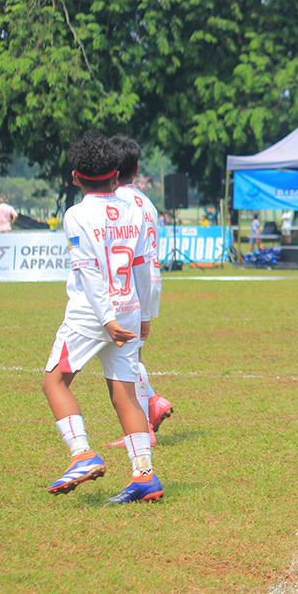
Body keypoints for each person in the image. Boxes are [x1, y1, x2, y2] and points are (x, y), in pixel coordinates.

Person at [41, 132, 163, 504]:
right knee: (125, 393)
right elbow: (146, 267)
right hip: (128, 308)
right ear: (117, 174)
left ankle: (82, 453)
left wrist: (107, 318)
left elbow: (89, 272)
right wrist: (145, 313)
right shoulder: (135, 211)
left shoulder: (76, 215)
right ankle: (144, 474)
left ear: (75, 177)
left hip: (92, 314)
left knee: (54, 382)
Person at [104, 135, 174, 450]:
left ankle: (143, 422)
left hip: (127, 284)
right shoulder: (147, 202)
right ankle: (152, 402)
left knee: (124, 358)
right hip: (150, 280)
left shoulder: (114, 202)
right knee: (133, 353)